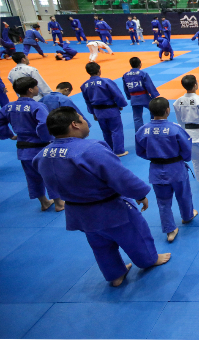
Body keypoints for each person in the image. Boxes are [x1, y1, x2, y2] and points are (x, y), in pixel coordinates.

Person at [33, 107, 170, 287]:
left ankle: (115, 275)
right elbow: (119, 176)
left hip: (78, 212)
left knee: (100, 245)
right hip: (110, 208)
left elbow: (49, 181)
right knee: (135, 235)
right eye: (82, 120)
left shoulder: (42, 155)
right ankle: (149, 260)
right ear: (74, 124)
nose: (86, 123)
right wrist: (139, 193)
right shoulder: (90, 149)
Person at [135, 97, 197, 242]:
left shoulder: (143, 130)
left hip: (156, 170)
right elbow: (187, 149)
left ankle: (170, 230)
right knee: (184, 194)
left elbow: (140, 151)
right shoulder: (175, 129)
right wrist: (183, 159)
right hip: (176, 168)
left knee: (163, 201)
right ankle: (187, 216)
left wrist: (154, 158)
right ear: (168, 110)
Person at [0, 77, 64, 212]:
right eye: (36, 86)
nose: (37, 88)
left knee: (32, 176)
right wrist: (48, 139)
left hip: (23, 148)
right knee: (50, 174)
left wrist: (9, 134)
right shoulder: (37, 106)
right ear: (30, 90)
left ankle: (44, 202)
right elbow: (43, 125)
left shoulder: (8, 106)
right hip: (40, 147)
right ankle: (59, 203)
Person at [81, 62, 129, 157]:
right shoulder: (106, 81)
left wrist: (93, 113)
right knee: (116, 130)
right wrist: (121, 105)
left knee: (105, 131)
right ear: (99, 70)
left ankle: (110, 150)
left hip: (98, 111)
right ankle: (119, 151)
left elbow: (87, 101)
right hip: (111, 109)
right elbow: (117, 95)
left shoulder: (84, 85)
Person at [122, 57, 160, 132]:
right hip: (144, 96)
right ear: (140, 64)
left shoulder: (125, 75)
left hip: (134, 98)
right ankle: (153, 128)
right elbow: (149, 85)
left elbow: (125, 87)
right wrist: (154, 96)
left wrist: (129, 97)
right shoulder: (143, 73)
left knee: (137, 118)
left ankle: (139, 133)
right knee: (154, 111)